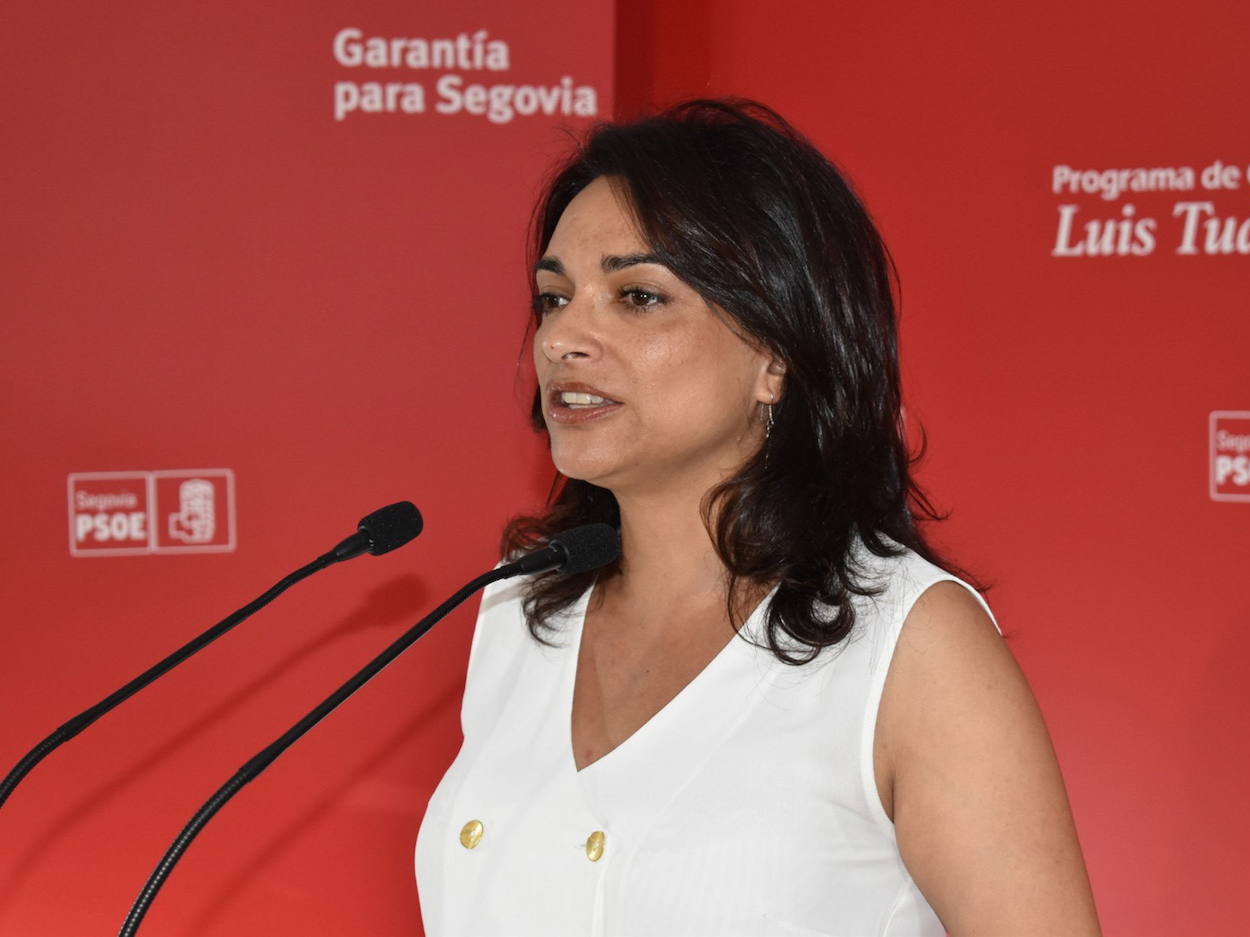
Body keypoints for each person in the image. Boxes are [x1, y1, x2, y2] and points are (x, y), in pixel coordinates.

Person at [415, 99, 1101, 936]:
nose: (563, 338)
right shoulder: (519, 614)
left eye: (636, 296)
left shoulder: (907, 644)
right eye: (553, 298)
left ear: (776, 355)